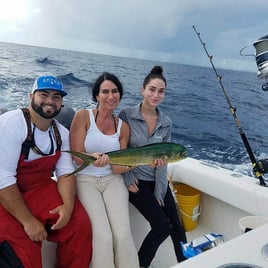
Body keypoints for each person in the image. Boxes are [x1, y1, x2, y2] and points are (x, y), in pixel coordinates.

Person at [0, 75, 92, 268]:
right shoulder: (11, 123)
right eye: (44, 94)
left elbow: (65, 172)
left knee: (79, 223)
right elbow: (3, 179)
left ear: (61, 103)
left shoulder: (62, 133)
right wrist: (28, 221)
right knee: (25, 253)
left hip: (39, 187)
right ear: (31, 96)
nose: (50, 101)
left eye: (56, 97)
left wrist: (67, 207)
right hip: (6, 194)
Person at [118, 66, 187, 268]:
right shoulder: (126, 115)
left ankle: (186, 262)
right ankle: (140, 264)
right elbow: (120, 152)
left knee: (177, 226)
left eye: (161, 91)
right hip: (135, 181)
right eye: (152, 89)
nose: (156, 95)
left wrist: (160, 191)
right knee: (162, 227)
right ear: (142, 90)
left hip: (157, 180)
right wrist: (128, 180)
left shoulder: (166, 122)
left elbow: (164, 163)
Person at [69, 72, 139, 268]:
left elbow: (117, 167)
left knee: (123, 235)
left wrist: (143, 162)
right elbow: (76, 155)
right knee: (103, 237)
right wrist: (92, 159)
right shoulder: (83, 116)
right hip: (86, 181)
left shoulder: (123, 127)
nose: (111, 96)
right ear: (96, 95)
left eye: (115, 91)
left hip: (112, 180)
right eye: (105, 91)